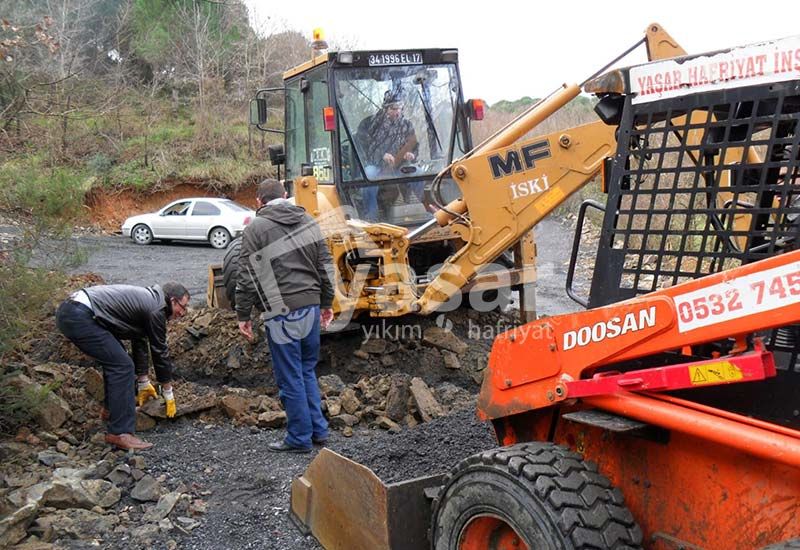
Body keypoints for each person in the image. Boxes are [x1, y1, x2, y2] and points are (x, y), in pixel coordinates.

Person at [236, 179, 334, 453]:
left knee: (290, 375)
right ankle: (318, 431)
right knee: (306, 370)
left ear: (259, 201)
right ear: (286, 195)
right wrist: (326, 302)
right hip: (310, 306)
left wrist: (243, 314)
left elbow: (246, 275)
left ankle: (299, 438)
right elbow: (325, 265)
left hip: (281, 310)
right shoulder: (309, 221)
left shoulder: (256, 228)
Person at [56, 282, 190, 450]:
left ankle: (111, 412)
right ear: (173, 301)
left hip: (74, 309)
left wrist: (143, 381)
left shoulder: (150, 301)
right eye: (183, 307)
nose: (183, 313)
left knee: (118, 360)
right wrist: (168, 391)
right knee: (122, 366)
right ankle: (120, 432)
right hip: (79, 315)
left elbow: (139, 339)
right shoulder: (156, 310)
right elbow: (159, 351)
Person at [356, 90, 419, 221]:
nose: (397, 112)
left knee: (419, 173)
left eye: (399, 108)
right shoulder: (369, 124)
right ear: (385, 108)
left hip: (399, 167)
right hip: (377, 167)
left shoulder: (407, 125)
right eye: (393, 108)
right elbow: (365, 150)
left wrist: (411, 154)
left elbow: (414, 146)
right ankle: (371, 216)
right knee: (368, 174)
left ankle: (413, 209)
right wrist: (381, 156)